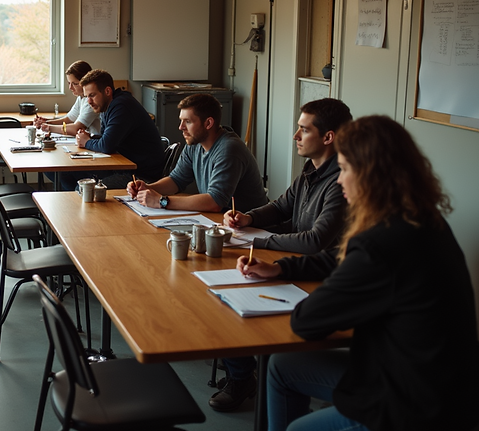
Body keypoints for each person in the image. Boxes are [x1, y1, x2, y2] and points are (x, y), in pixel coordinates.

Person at [242, 116, 479, 431]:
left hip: (414, 406)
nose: (339, 180)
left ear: (371, 174)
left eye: (345, 169)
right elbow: (340, 260)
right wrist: (281, 267)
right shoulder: (421, 221)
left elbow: (307, 321)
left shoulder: (380, 244)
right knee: (283, 366)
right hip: (444, 383)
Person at [208, 98, 352, 412]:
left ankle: (246, 376)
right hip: (299, 266)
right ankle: (243, 375)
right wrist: (248, 218)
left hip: (318, 278)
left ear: (328, 137)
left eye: (304, 130)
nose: (295, 136)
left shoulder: (342, 181)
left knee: (246, 308)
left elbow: (316, 241)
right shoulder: (310, 171)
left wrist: (261, 242)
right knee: (226, 296)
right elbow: (281, 207)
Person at [127, 93, 268, 213]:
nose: (181, 127)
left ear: (208, 123)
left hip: (252, 228)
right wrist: (147, 189)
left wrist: (162, 201)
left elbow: (215, 202)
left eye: (188, 121)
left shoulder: (229, 149)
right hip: (221, 222)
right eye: (181, 121)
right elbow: (176, 180)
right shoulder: (195, 143)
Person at [59, 69, 164, 191]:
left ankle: (82, 201)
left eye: (92, 95)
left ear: (107, 91)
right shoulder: (107, 105)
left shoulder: (122, 106)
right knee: (66, 173)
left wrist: (86, 142)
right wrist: (89, 137)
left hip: (139, 176)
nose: (89, 102)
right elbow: (106, 138)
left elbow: (106, 146)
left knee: (85, 189)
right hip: (123, 166)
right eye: (87, 96)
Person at [33, 60, 101, 136]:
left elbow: (76, 128)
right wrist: (46, 122)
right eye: (69, 83)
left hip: (96, 139)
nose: (70, 87)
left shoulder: (91, 102)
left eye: (75, 84)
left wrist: (48, 127)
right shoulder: (81, 97)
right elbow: (69, 119)